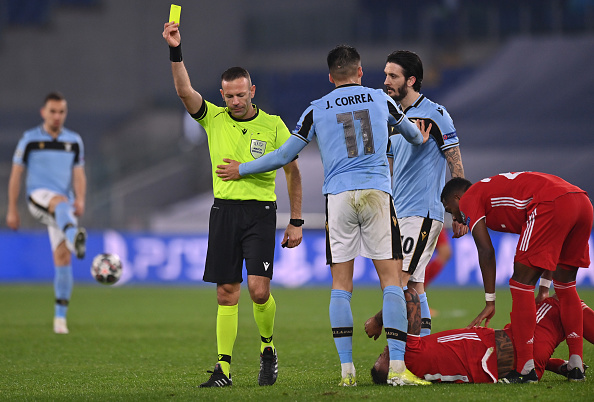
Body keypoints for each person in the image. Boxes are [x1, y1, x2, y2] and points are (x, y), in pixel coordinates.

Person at [216, 45, 431, 386]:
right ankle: (397, 369)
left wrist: (241, 168)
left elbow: (284, 155)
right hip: (376, 193)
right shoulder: (381, 99)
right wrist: (419, 135)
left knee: (341, 286)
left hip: (339, 198)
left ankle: (347, 373)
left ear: (330, 77)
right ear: (360, 72)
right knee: (391, 281)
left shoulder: (316, 109)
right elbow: (413, 136)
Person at [162, 21, 303, 388]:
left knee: (259, 290)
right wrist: (175, 50)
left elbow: (293, 172)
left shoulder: (274, 125)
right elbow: (183, 90)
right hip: (224, 212)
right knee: (226, 293)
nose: (236, 102)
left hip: (260, 213)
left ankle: (268, 349)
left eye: (241, 95)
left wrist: (296, 220)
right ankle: (223, 369)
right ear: (222, 94)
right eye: (229, 96)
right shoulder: (214, 119)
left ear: (252, 91)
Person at [440, 172, 592, 383]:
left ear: (458, 198)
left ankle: (526, 370)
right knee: (566, 286)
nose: (455, 218)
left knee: (521, 284)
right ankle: (576, 365)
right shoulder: (493, 192)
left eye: (450, 210)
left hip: (549, 203)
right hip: (581, 202)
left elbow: (486, 250)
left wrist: (490, 301)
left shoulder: (469, 198)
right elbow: (548, 245)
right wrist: (544, 288)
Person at [385, 50, 465, 335]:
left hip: (422, 212)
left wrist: (461, 211)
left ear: (411, 80)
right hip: (400, 212)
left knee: (398, 282)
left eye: (393, 76)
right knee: (415, 285)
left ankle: (399, 351)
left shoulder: (435, 114)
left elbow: (456, 163)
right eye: (386, 75)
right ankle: (425, 350)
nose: (386, 81)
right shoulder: (392, 118)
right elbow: (391, 167)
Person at [368, 288, 593, 384]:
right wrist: (378, 320)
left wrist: (555, 365)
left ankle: (568, 366)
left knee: (563, 307)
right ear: (397, 371)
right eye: (384, 358)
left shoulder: (420, 364)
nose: (386, 350)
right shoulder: (410, 356)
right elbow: (410, 295)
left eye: (381, 354)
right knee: (564, 299)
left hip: (520, 357)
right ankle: (575, 366)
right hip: (518, 347)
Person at [6, 92, 87, 335]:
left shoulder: (74, 141)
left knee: (63, 258)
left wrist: (81, 199)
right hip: (38, 197)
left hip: (64, 207)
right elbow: (16, 174)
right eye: (52, 111)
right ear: (43, 112)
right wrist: (12, 209)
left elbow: (79, 174)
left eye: (61, 111)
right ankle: (73, 237)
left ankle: (60, 320)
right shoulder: (29, 139)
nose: (57, 116)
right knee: (58, 202)